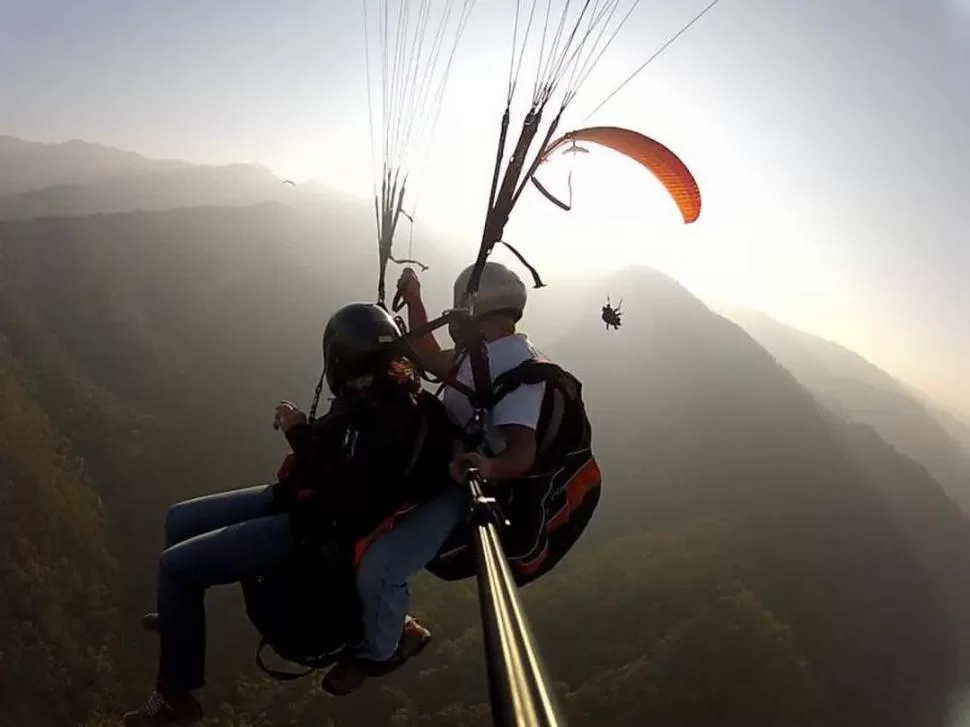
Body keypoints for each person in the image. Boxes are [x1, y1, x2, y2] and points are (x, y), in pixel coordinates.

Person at [122, 303, 457, 726]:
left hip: (316, 530)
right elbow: (341, 455)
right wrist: (303, 430)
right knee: (178, 520)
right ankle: (180, 623)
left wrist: (297, 432)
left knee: (175, 569)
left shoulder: (390, 415)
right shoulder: (375, 396)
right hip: (301, 500)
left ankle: (174, 697)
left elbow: (348, 494)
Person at [317, 261, 547, 695]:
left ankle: (381, 651)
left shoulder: (519, 363)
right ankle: (363, 619)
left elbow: (523, 452)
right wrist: (416, 298)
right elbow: (430, 356)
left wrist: (489, 467)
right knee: (344, 516)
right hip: (433, 459)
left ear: (475, 306)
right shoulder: (484, 352)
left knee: (380, 569)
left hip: (459, 487)